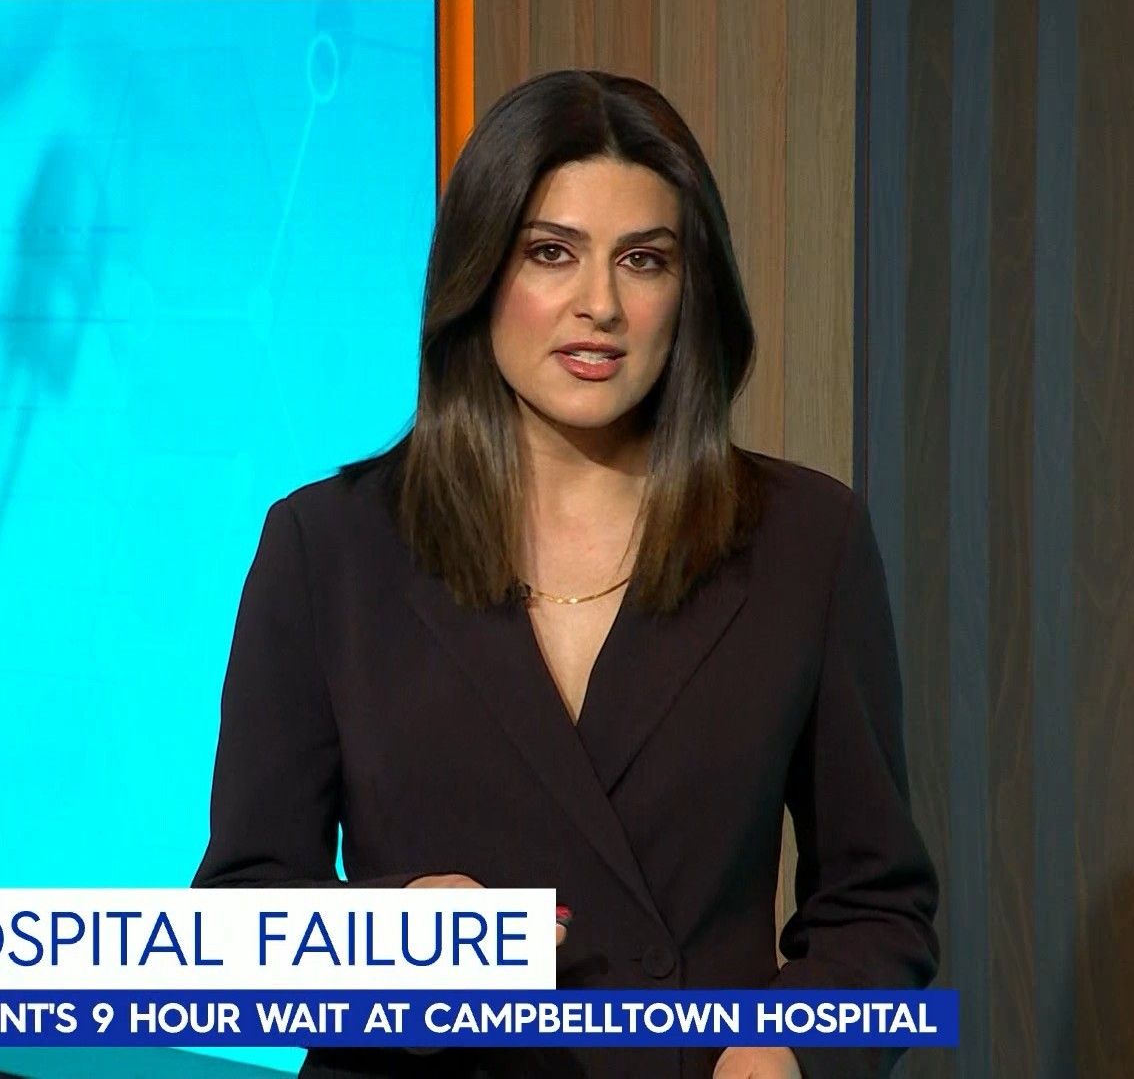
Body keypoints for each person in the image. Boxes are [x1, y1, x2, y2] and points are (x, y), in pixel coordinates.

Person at [193, 69, 938, 1079]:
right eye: (552, 253)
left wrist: (791, 1047)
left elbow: (877, 907)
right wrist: (390, 937)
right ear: (479, 273)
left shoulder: (804, 539)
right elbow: (236, 922)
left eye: (644, 260)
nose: (600, 306)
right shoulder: (328, 548)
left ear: (689, 291)